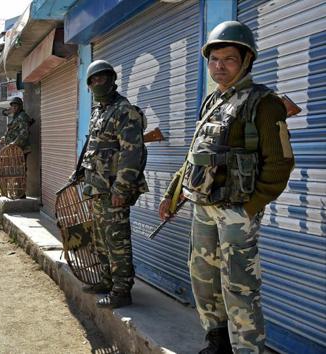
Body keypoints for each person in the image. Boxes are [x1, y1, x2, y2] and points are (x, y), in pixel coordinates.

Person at [158, 21, 294, 354]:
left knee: (239, 286)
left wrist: (249, 207)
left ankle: (248, 349)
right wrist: (174, 193)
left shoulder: (264, 103)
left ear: (246, 60)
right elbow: (195, 156)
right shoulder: (212, 102)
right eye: (214, 59)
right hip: (203, 205)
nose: (219, 66)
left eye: (229, 59)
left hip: (237, 210)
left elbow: (280, 163)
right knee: (203, 277)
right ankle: (217, 341)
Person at [79, 59, 148, 309]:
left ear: (112, 80)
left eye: (102, 78)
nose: (98, 83)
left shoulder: (124, 110)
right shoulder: (99, 111)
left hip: (113, 190)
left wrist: (122, 189)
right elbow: (94, 147)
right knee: (100, 238)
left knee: (117, 240)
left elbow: (132, 153)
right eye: (93, 80)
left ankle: (121, 290)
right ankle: (107, 281)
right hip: (97, 188)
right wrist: (80, 173)